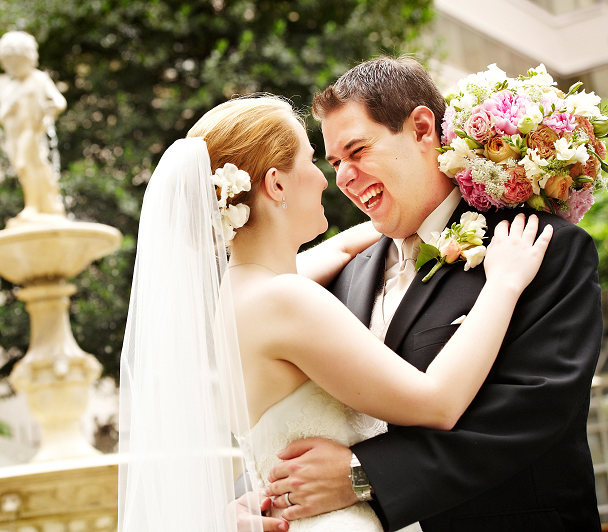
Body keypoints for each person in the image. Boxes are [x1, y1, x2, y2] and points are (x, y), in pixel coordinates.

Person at [118, 94, 552, 532]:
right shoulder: (287, 299)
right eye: (311, 161)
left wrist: (427, 207)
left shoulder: (237, 294)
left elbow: (342, 247)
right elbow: (437, 403)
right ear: (277, 184)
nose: (327, 180)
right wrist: (504, 283)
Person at [255, 57, 602, 532]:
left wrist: (363, 476)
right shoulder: (344, 277)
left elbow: (533, 410)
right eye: (335, 162)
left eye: (358, 150)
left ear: (422, 129)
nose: (343, 177)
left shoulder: (535, 246)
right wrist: (258, 498)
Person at [0, 30, 67, 221]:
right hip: (14, 136)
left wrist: (49, 109)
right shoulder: (10, 88)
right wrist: (10, 107)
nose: (13, 67)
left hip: (30, 131)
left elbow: (59, 102)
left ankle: (33, 207)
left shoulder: (38, 79)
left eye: (17, 62)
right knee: (23, 169)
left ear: (28, 58)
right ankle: (38, 204)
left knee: (24, 164)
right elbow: (1, 116)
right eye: (9, 63)